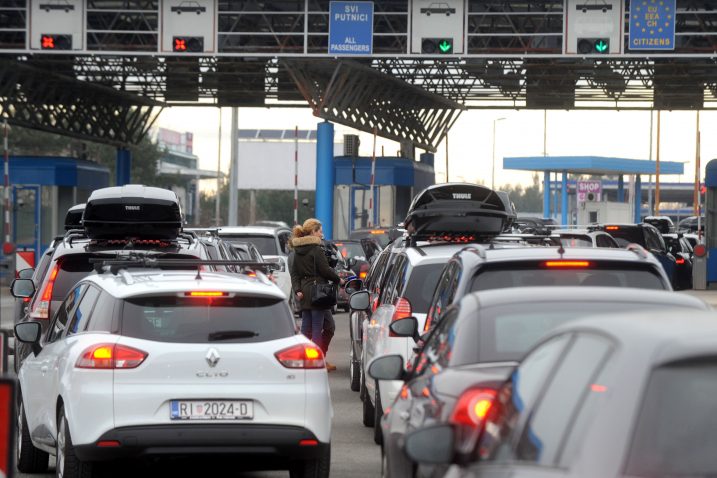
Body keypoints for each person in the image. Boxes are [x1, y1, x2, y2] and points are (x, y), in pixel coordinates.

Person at [289, 218, 342, 371]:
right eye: (319, 231)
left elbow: (294, 273)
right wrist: (339, 279)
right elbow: (325, 270)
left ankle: (304, 360)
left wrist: (298, 289)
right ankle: (317, 362)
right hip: (318, 291)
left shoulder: (297, 250)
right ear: (313, 232)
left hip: (304, 293)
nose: (321, 234)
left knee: (306, 327)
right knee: (318, 327)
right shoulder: (316, 249)